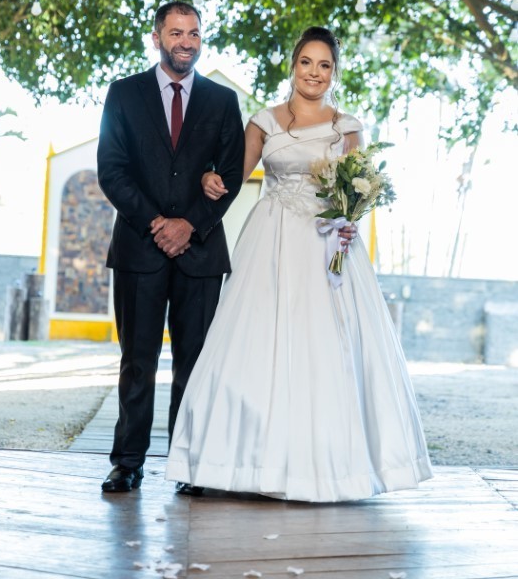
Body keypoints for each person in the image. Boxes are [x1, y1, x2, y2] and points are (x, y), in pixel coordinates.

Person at [165, 26, 433, 502]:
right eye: (307, 62)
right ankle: (234, 462)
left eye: (324, 65)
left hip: (327, 246)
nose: (314, 72)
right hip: (271, 242)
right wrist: (209, 178)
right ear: (293, 66)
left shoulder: (348, 127)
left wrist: (351, 222)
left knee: (327, 350)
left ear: (334, 73)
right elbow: (233, 177)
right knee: (253, 346)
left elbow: (357, 192)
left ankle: (328, 469)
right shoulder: (263, 122)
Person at [97, 0, 245, 493]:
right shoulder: (123, 93)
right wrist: (157, 222)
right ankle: (127, 462)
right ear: (157, 37)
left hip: (200, 253)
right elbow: (112, 169)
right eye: (177, 32)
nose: (186, 42)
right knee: (137, 362)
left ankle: (187, 465)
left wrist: (190, 225)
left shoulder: (222, 101)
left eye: (194, 33)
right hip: (139, 249)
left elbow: (231, 174)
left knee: (194, 364)